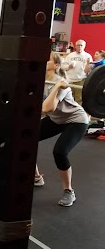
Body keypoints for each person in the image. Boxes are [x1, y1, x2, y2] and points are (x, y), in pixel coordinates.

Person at [35, 52, 88, 207]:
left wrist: (57, 86)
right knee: (26, 139)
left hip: (76, 120)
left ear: (56, 65)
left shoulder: (62, 82)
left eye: (48, 60)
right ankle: (36, 177)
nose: (44, 61)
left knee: (60, 151)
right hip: (56, 119)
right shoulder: (39, 80)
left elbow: (48, 108)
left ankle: (69, 191)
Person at [62, 39, 92, 105]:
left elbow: (88, 70)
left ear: (84, 46)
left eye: (81, 45)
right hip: (70, 79)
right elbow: (63, 66)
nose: (80, 47)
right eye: (78, 45)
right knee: (68, 98)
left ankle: (78, 110)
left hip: (81, 80)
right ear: (75, 46)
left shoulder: (88, 56)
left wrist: (88, 63)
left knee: (79, 98)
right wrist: (69, 66)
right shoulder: (70, 55)